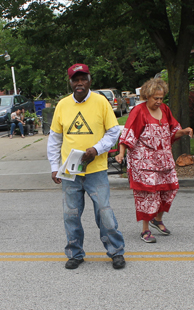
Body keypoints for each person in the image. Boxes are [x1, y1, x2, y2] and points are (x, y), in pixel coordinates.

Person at [47, 63, 126, 270]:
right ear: (70, 82)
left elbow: (113, 132)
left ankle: (116, 251)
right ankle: (75, 253)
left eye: (83, 79)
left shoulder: (101, 102)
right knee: (70, 214)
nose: (79, 83)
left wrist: (96, 149)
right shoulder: (62, 105)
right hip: (69, 171)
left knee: (104, 212)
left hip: (96, 170)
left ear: (90, 80)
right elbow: (55, 139)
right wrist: (54, 166)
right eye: (75, 79)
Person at [115, 78, 193, 243]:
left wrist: (184, 132)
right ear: (147, 96)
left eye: (161, 98)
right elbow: (127, 134)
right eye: (155, 98)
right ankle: (145, 230)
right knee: (148, 195)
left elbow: (173, 131)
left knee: (170, 189)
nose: (159, 101)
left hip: (163, 160)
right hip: (143, 163)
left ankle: (157, 219)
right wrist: (121, 153)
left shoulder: (165, 109)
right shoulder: (139, 111)